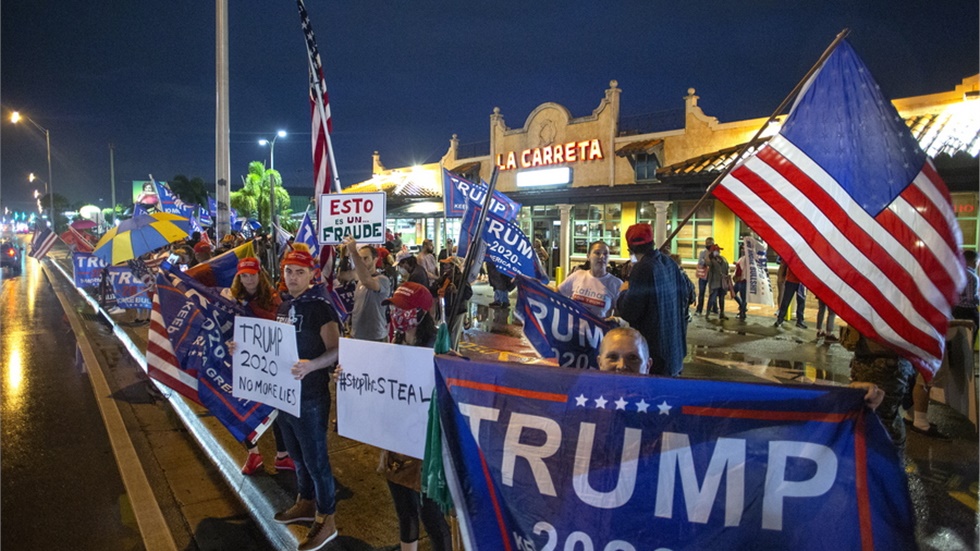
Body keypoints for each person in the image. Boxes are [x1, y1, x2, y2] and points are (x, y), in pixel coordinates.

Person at [272, 249, 341, 550]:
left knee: (316, 461)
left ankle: (327, 518)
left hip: (311, 396)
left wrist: (312, 365)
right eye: (288, 271)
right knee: (297, 457)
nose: (293, 277)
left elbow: (337, 350)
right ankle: (306, 501)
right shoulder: (284, 306)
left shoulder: (321, 308)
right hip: (284, 395)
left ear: (312, 274)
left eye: (299, 272)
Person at [379, 282, 453, 551]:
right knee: (404, 508)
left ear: (421, 314)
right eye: (394, 308)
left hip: (424, 445)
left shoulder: (438, 348)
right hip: (397, 440)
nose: (397, 314)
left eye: (403, 309)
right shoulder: (396, 341)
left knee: (431, 514)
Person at [223, 257, 295, 475]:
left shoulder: (273, 298)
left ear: (259, 275)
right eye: (243, 276)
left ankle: (282, 455)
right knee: (242, 407)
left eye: (251, 275)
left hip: (269, 363)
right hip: (246, 363)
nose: (248, 280)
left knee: (277, 410)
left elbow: (279, 327)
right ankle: (253, 453)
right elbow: (226, 327)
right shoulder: (233, 299)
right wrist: (230, 343)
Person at [616, 223, 693, 377]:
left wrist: (623, 292)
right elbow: (688, 296)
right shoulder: (669, 263)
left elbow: (630, 312)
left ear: (630, 248)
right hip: (675, 355)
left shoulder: (642, 268)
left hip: (656, 358)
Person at [844, 328, 915, 451]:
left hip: (884, 363)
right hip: (870, 358)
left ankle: (887, 462)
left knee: (880, 418)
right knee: (869, 415)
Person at [343, 237, 392, 342]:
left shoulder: (383, 280)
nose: (362, 262)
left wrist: (354, 253)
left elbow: (367, 281)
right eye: (360, 259)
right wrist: (345, 255)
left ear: (375, 259)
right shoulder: (359, 279)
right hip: (356, 334)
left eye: (365, 258)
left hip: (375, 337)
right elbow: (342, 276)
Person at [557, 240, 622, 318]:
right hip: (573, 328)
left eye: (605, 254)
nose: (602, 256)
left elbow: (620, 314)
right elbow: (556, 293)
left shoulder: (616, 284)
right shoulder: (577, 275)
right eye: (597, 253)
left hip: (599, 329)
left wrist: (615, 320)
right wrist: (538, 286)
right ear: (588, 256)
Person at [953, 249, 979, 347]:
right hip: (969, 312)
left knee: (956, 342)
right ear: (975, 262)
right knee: (969, 342)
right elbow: (970, 299)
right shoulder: (972, 276)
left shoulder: (956, 273)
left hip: (955, 310)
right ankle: (968, 361)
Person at [704, 244, 730, 321]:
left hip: (722, 282)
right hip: (714, 282)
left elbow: (727, 268)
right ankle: (707, 313)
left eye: (718, 250)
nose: (718, 252)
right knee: (712, 298)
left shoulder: (723, 259)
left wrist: (727, 276)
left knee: (722, 298)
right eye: (716, 250)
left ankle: (722, 313)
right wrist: (709, 256)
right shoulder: (711, 260)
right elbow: (707, 263)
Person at [694, 237, 714, 315]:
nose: (708, 245)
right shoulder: (703, 252)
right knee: (701, 293)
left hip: (712, 275)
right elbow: (700, 262)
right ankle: (699, 309)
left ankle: (713, 308)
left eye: (710, 243)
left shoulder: (715, 252)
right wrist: (706, 261)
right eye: (707, 243)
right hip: (703, 275)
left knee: (712, 292)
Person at [732, 245, 748, 320]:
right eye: (742, 248)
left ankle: (742, 312)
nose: (742, 250)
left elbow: (740, 269)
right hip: (741, 281)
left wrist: (736, 277)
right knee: (734, 293)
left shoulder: (745, 258)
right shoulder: (743, 258)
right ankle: (742, 308)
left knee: (743, 297)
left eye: (744, 248)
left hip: (742, 280)